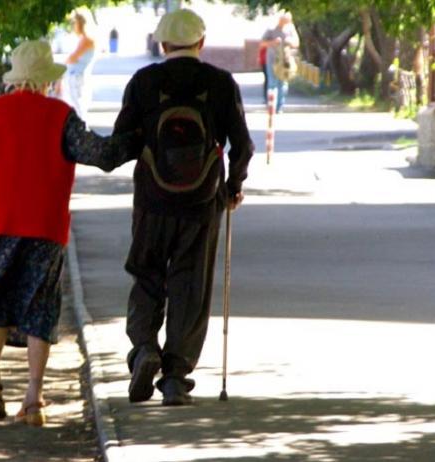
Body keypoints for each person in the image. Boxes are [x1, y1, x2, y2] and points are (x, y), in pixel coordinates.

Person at [0, 40, 137, 426]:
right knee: (40, 307)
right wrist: (135, 137)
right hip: (46, 227)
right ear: (46, 80)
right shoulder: (61, 116)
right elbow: (102, 155)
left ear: (15, 79)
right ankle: (34, 400)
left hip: (0, 222)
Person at [112, 9, 254, 406]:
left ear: (162, 44)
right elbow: (242, 146)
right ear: (201, 43)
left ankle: (144, 349)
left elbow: (122, 141)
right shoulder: (220, 83)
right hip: (201, 202)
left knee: (146, 275)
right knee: (191, 287)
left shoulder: (144, 82)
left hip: (152, 201)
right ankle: (174, 378)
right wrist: (232, 187)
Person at [260, 12, 300, 113]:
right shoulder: (271, 29)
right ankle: (271, 106)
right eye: (285, 20)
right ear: (280, 20)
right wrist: (273, 42)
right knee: (272, 83)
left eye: (288, 21)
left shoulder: (291, 29)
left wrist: (290, 41)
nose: (287, 23)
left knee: (283, 84)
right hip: (272, 60)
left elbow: (297, 43)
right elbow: (262, 43)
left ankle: (279, 107)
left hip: (285, 61)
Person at [64, 13, 95, 118]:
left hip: (77, 76)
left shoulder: (85, 40)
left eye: (74, 23)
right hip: (76, 75)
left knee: (77, 107)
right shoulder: (82, 40)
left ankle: (80, 130)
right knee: (75, 106)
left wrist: (67, 60)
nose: (73, 26)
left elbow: (72, 58)